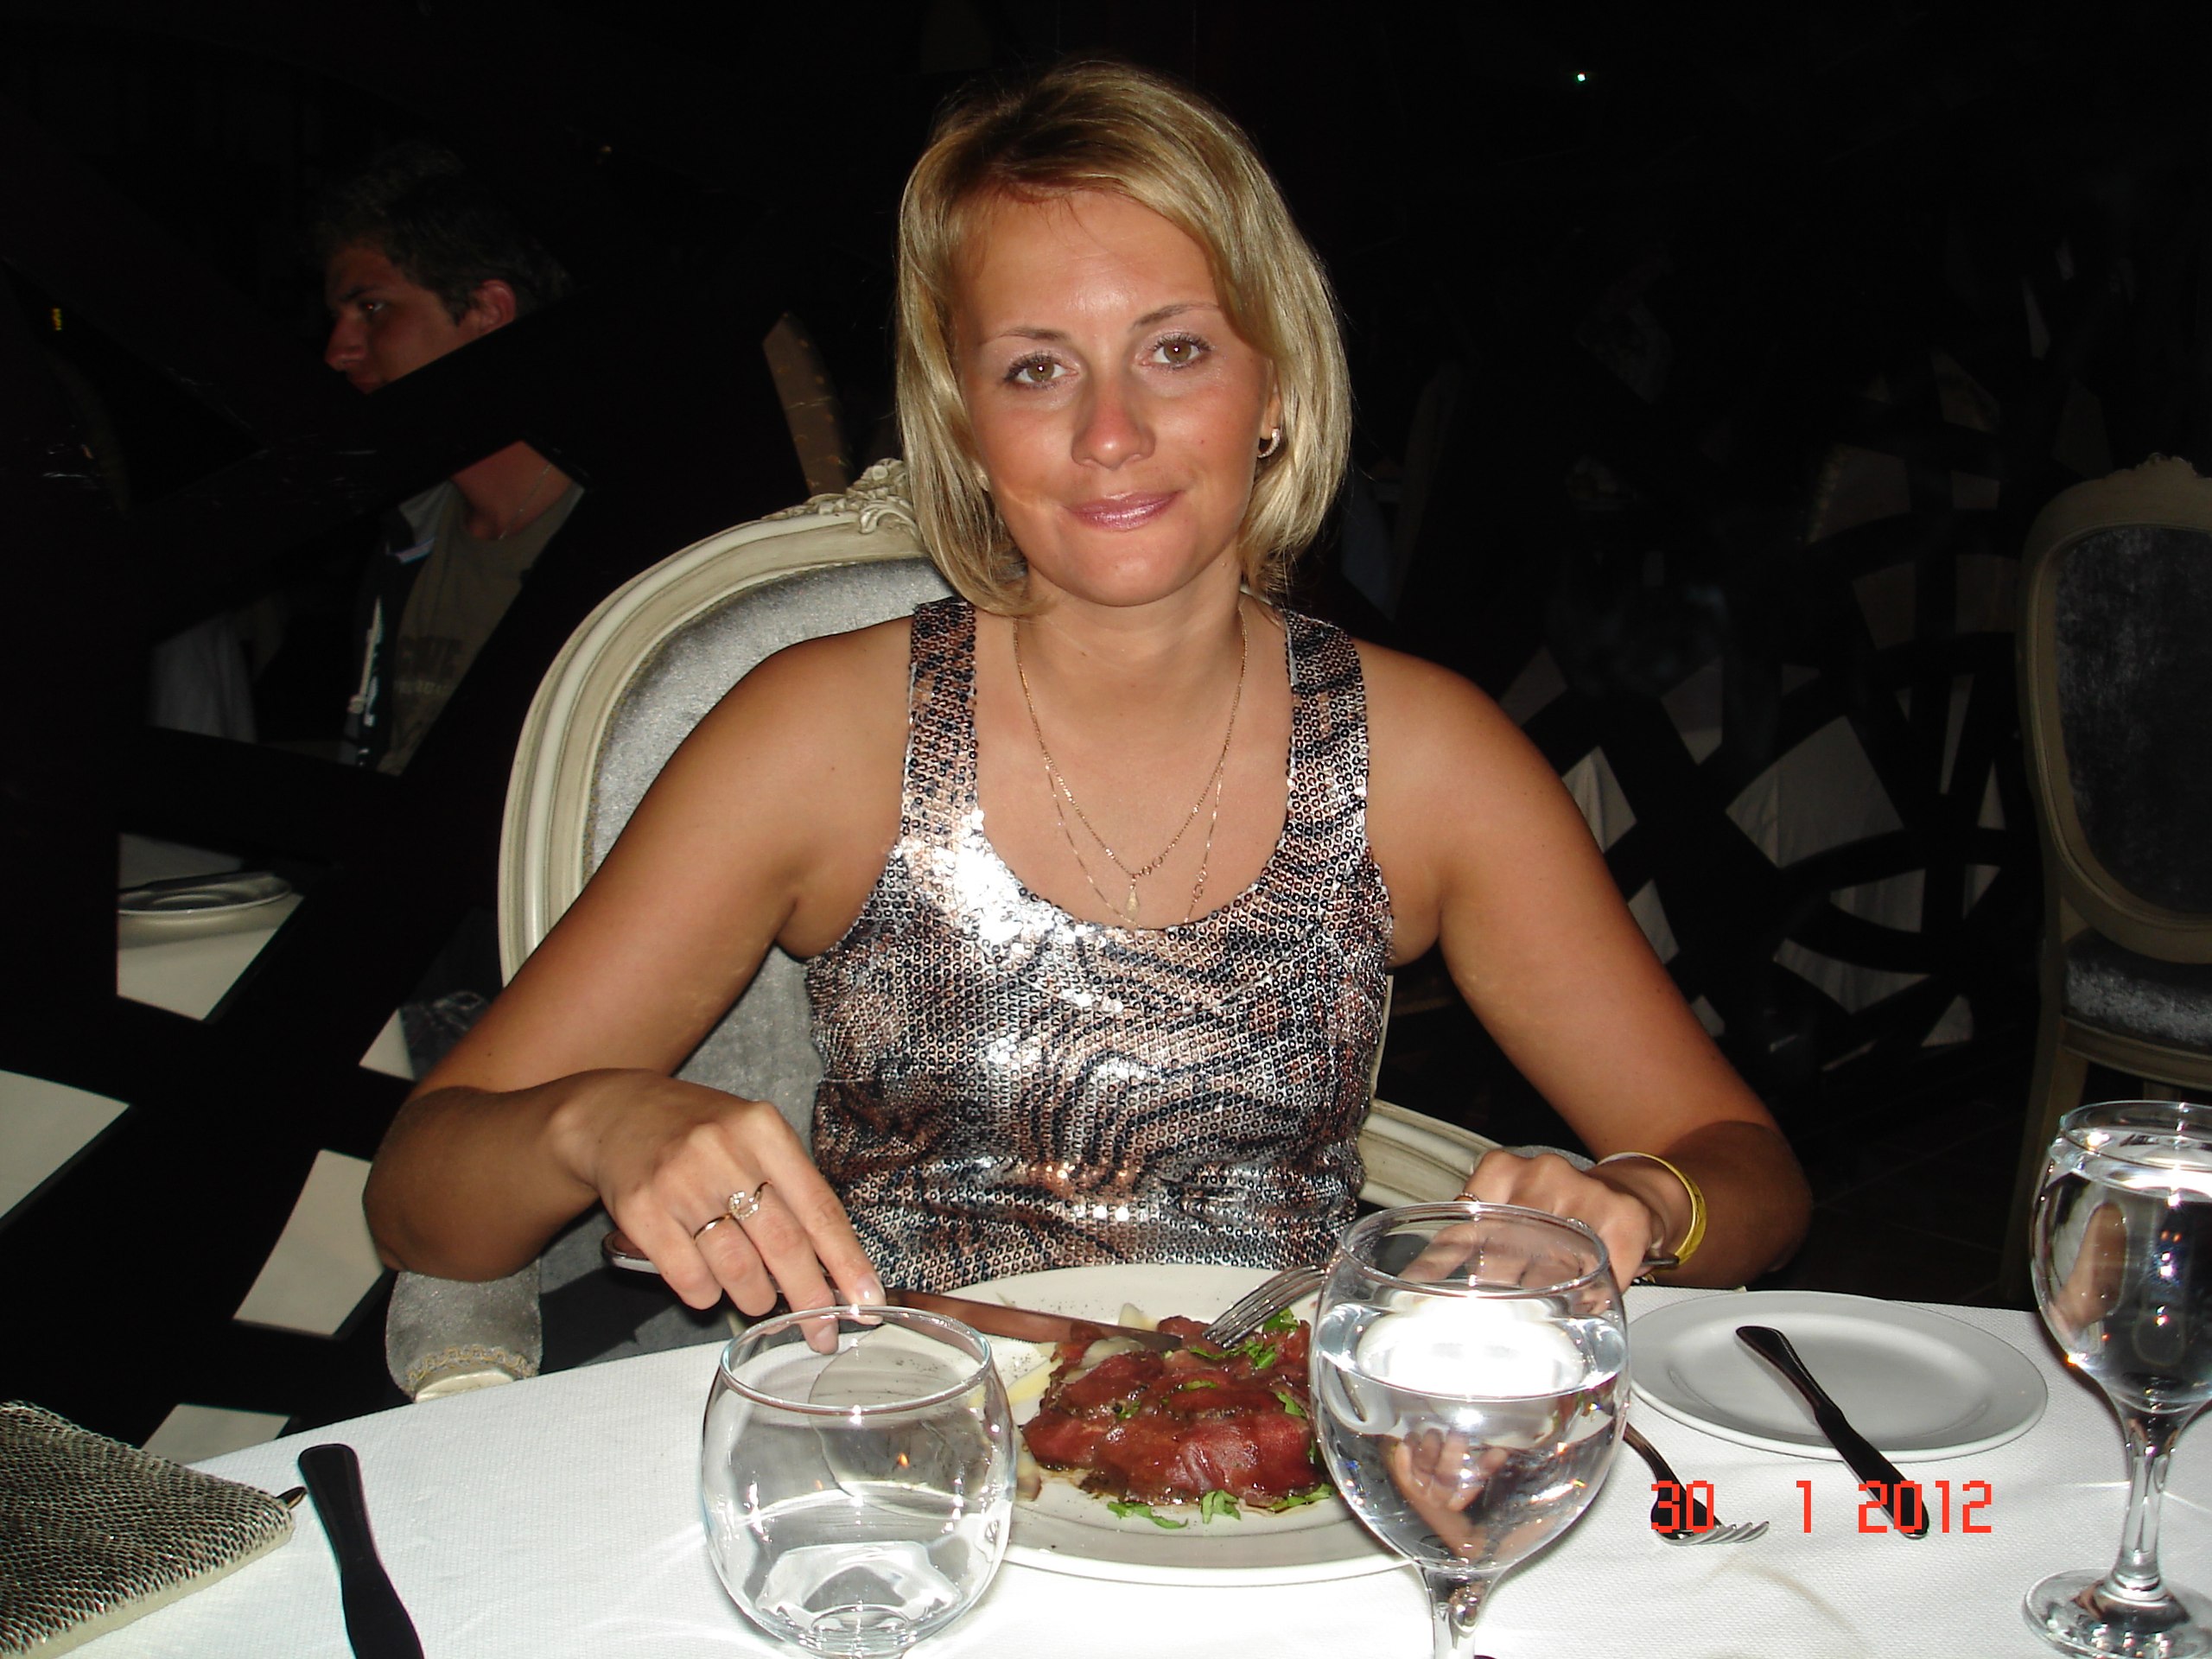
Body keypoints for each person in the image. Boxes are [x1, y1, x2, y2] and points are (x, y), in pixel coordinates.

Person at [364, 61, 1809, 1328]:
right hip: (908, 1473)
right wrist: (598, 1121)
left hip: (1281, 1482)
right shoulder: (820, 736)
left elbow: (1746, 1170)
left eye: (1176, 350)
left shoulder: (1427, 760)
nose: (1110, 432)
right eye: (1035, 369)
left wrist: (1643, 1205)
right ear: (963, 421)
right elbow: (421, 1200)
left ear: (1275, 385)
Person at [314, 142, 582, 774]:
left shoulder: (622, 528)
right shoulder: (412, 533)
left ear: (488, 312)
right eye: (339, 317)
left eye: (372, 308)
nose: (339, 351)